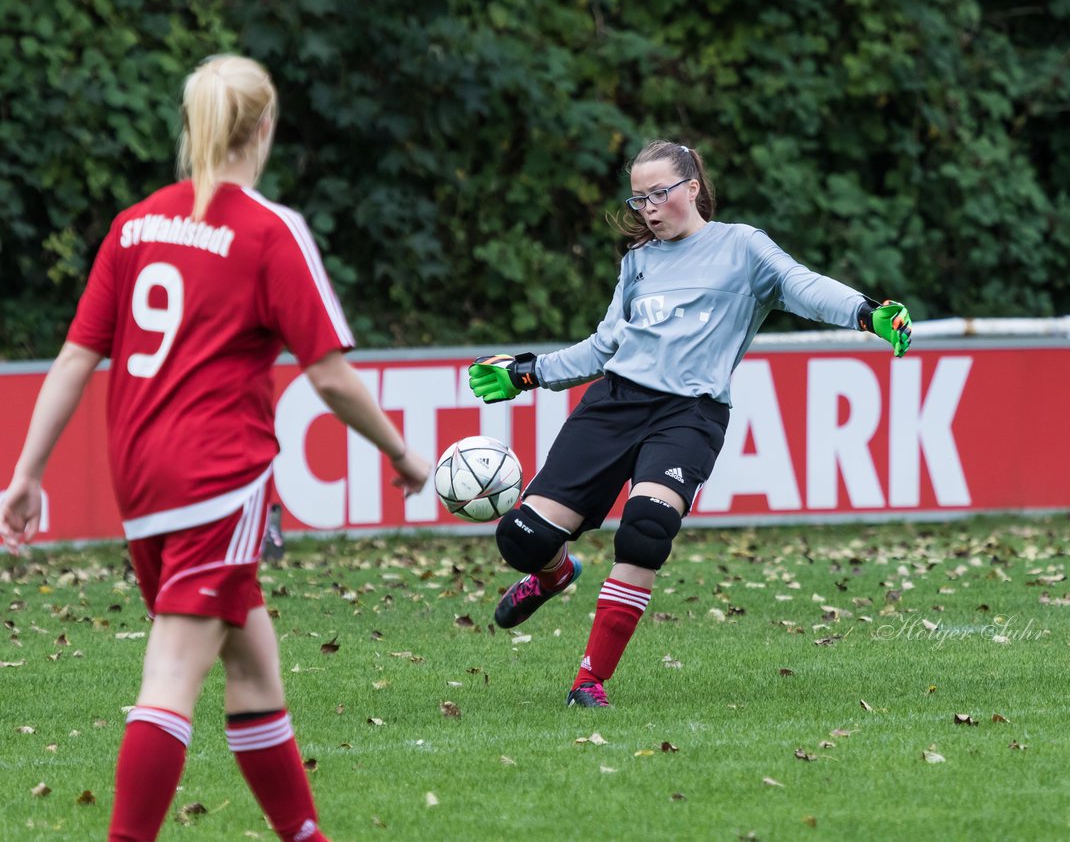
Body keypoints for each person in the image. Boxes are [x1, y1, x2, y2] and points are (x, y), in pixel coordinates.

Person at [0, 55, 430, 841]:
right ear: (263, 128)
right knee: (170, 674)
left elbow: (72, 360)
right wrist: (401, 455)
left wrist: (26, 474)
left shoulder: (135, 224)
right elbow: (330, 378)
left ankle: (305, 834)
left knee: (251, 661)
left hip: (140, 478)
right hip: (217, 478)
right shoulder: (270, 231)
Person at [468, 139, 911, 708]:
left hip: (689, 416)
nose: (648, 208)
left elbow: (803, 286)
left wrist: (865, 312)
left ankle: (589, 681)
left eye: (659, 194)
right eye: (638, 198)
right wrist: (529, 373)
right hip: (613, 406)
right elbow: (606, 347)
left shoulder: (741, 247)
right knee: (521, 539)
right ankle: (553, 575)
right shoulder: (639, 262)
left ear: (693, 188)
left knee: (645, 530)